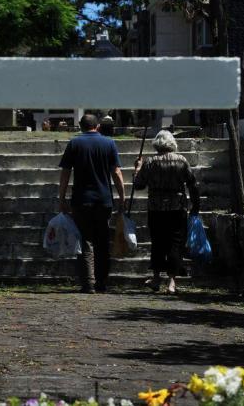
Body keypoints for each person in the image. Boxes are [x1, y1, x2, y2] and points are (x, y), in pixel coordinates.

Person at [59, 114, 126, 293]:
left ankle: (88, 283)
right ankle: (102, 282)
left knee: (85, 240)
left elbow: (65, 173)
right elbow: (116, 172)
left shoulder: (74, 144)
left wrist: (62, 198)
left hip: (81, 200)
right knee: (102, 241)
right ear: (97, 126)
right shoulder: (109, 143)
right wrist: (122, 196)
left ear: (81, 127)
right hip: (103, 200)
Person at [133, 130, 200, 294]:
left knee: (157, 242)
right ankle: (171, 282)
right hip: (177, 207)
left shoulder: (150, 162)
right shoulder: (181, 160)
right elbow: (192, 184)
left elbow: (139, 185)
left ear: (157, 144)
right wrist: (195, 205)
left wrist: (138, 168)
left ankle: (156, 278)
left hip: (156, 208)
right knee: (175, 243)